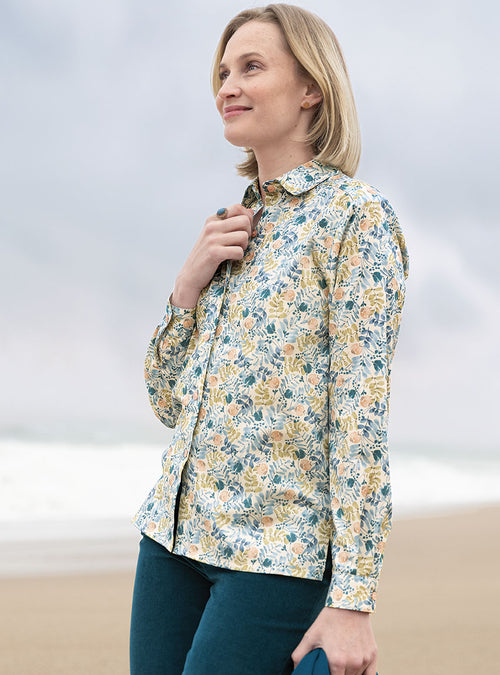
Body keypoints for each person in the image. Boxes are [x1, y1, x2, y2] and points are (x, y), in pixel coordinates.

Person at [129, 4, 409, 675]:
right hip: (170, 540)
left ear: (310, 86)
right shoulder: (230, 224)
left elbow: (360, 417)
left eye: (251, 67)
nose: (228, 86)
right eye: (223, 73)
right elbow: (167, 402)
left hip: (275, 555)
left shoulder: (356, 219)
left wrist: (353, 598)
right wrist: (188, 284)